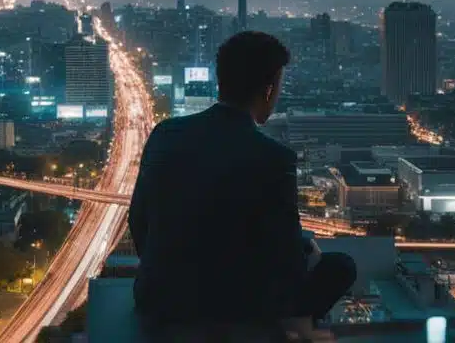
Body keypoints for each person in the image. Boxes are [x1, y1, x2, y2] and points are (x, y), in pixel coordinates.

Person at [129, 31, 356, 340]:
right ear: (269, 88)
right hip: (238, 312)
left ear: (221, 80)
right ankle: (298, 328)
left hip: (159, 302)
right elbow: (285, 262)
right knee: (341, 266)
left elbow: (139, 222)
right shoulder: (274, 159)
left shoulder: (164, 134)